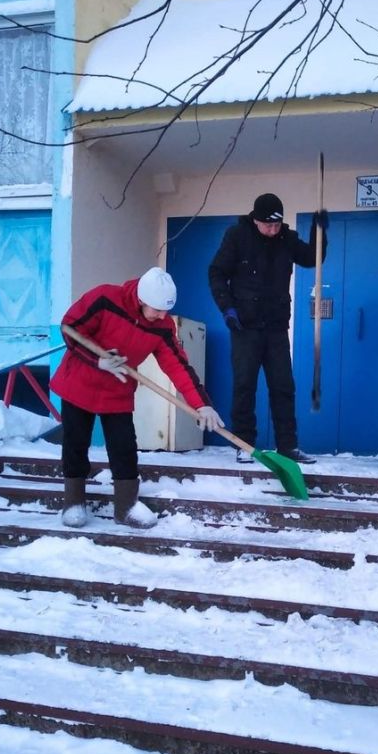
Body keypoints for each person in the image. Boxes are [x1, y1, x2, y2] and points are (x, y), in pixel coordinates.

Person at [50, 267, 224, 530]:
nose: (162, 316)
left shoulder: (162, 326)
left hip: (117, 390)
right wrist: (97, 361)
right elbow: (70, 327)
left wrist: (202, 404)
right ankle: (74, 502)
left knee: (124, 448)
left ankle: (126, 506)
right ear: (141, 299)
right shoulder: (106, 298)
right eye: (157, 309)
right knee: (76, 442)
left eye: (166, 310)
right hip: (80, 382)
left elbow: (178, 366)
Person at [208, 192, 327, 465]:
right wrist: (227, 307)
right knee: (244, 386)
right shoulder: (237, 236)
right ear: (256, 220)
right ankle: (244, 445)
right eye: (268, 225)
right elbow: (216, 272)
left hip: (275, 328)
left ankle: (288, 446)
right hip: (244, 327)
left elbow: (312, 258)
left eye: (276, 225)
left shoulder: (287, 239)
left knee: (283, 386)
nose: (273, 230)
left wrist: (319, 231)